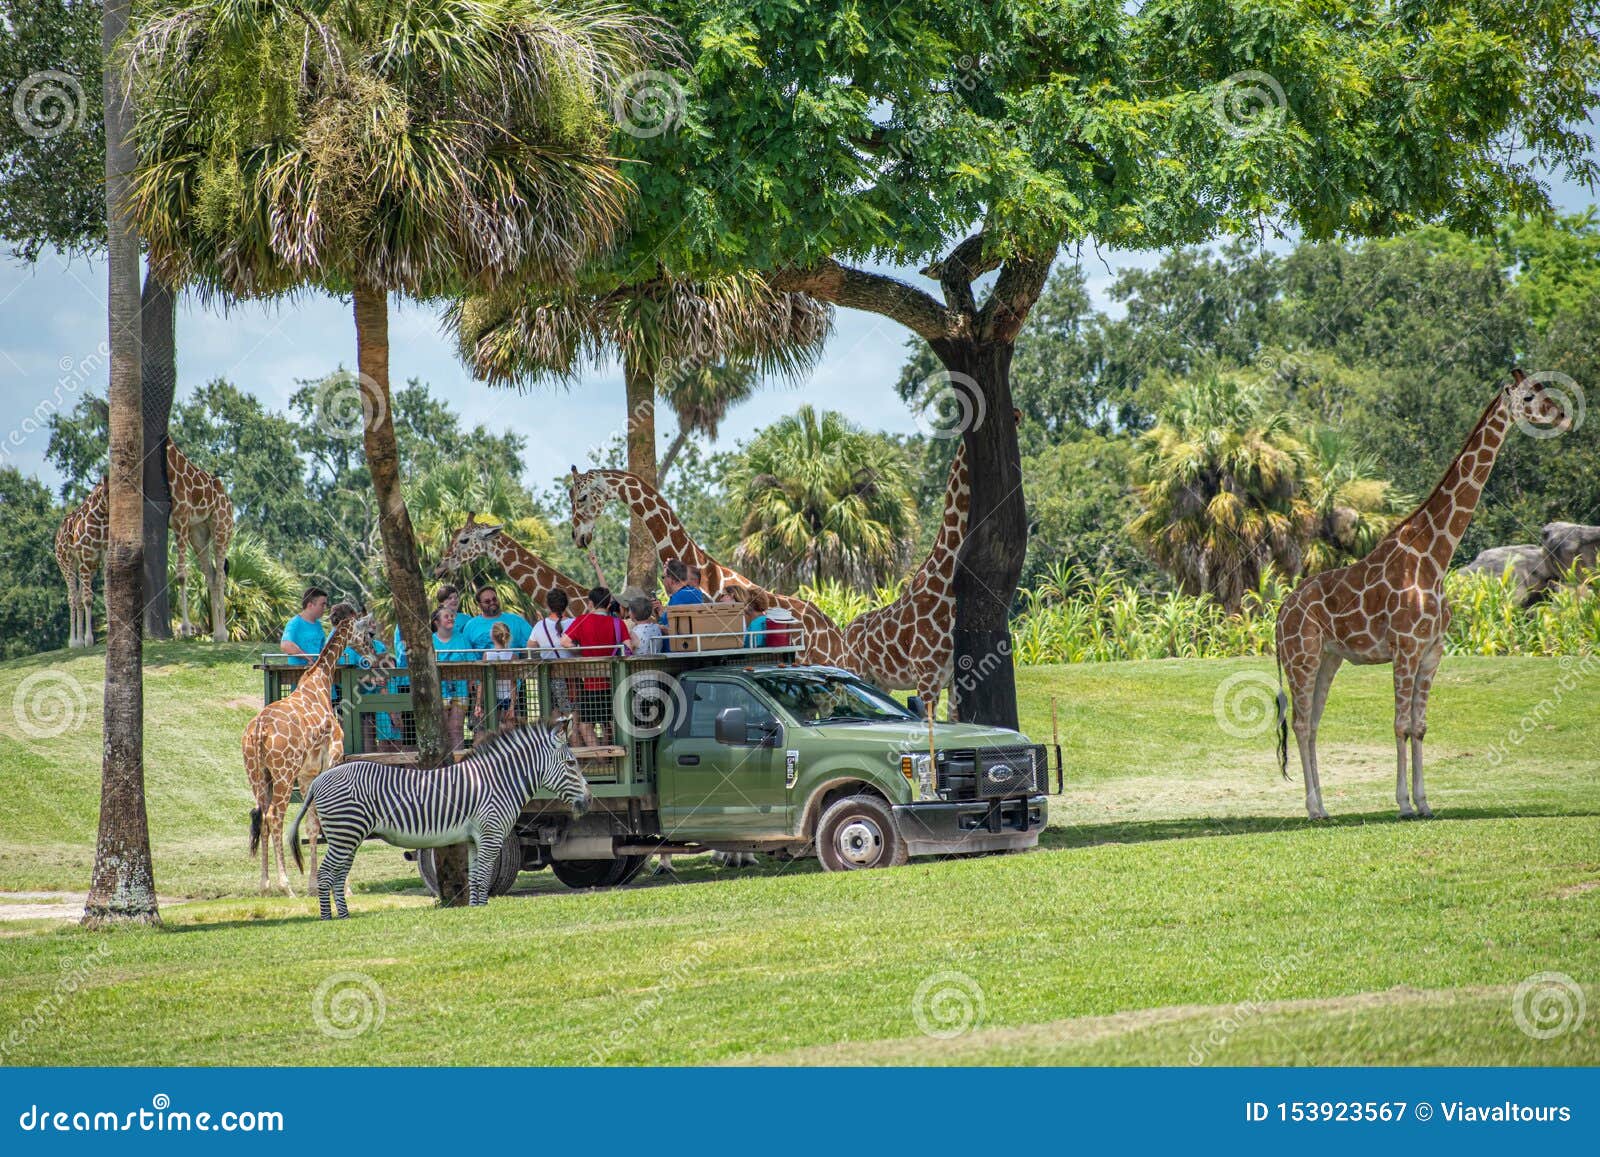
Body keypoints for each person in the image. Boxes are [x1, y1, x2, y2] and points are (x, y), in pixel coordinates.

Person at [561, 586, 630, 746]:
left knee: (585, 725)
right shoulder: (618, 623)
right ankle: (614, 759)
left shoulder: (581, 620)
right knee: (611, 722)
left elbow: (564, 642)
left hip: (590, 683)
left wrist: (580, 649)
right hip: (613, 681)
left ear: (590, 603)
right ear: (608, 604)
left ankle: (600, 759)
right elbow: (628, 648)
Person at [433, 605, 476, 751]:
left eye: (452, 616)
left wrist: (472, 681)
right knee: (442, 729)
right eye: (446, 616)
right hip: (439, 692)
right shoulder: (430, 641)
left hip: (460, 690)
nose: (451, 618)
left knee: (456, 728)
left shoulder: (462, 639)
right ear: (437, 622)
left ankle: (458, 764)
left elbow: (472, 662)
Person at [462, 584, 532, 651]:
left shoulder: (516, 620)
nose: (492, 602)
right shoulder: (471, 625)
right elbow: (466, 653)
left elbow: (533, 643)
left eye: (494, 599)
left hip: (514, 661)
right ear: (479, 605)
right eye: (487, 601)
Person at [280, 587, 329, 665]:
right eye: (322, 604)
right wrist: (308, 658)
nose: (325, 608)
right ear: (310, 605)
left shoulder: (318, 625)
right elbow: (286, 645)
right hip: (297, 672)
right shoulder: (295, 623)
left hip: (316, 673)